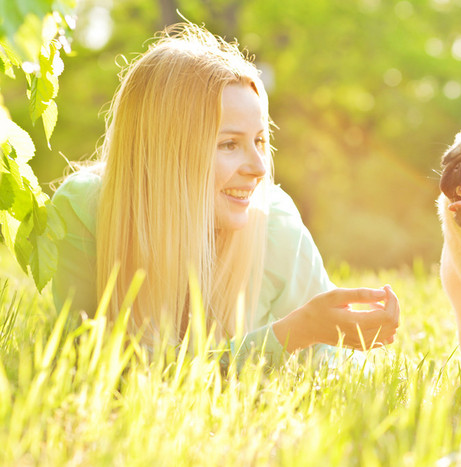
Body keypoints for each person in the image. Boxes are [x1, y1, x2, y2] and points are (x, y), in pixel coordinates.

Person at [52, 23, 400, 366]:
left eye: (260, 141)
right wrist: (289, 334)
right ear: (165, 151)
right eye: (230, 144)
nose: (259, 168)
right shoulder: (86, 210)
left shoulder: (274, 224)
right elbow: (90, 363)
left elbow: (333, 364)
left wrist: (335, 331)